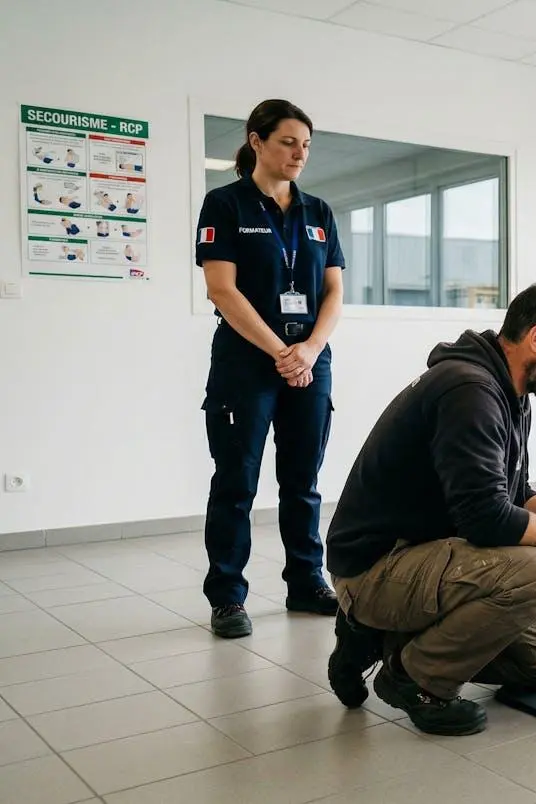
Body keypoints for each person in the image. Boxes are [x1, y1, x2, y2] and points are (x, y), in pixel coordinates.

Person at [323, 282, 536, 736]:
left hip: (426, 554)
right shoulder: (469, 391)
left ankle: (379, 636)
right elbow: (487, 518)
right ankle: (413, 678)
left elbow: (515, 495)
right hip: (376, 566)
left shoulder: (510, 393)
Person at [194, 99, 346, 639]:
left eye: (306, 145)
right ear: (256, 141)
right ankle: (227, 597)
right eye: (287, 142)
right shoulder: (225, 204)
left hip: (310, 360)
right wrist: (281, 351)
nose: (299, 153)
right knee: (236, 481)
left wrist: (309, 349)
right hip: (246, 362)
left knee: (303, 481)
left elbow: (334, 292)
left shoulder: (318, 212)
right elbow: (221, 289)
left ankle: (306, 581)